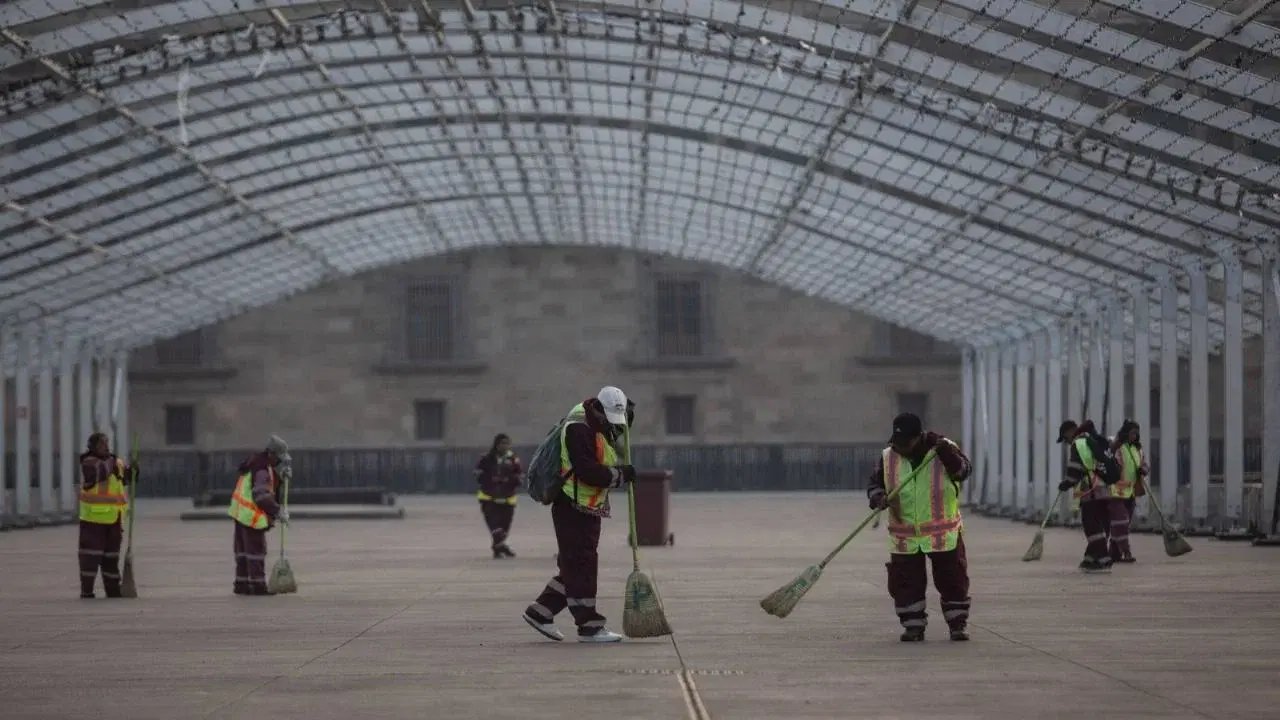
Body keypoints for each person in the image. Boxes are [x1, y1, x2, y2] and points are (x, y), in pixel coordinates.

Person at [523, 386, 636, 643]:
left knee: (575, 564)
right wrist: (621, 475)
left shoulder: (594, 420)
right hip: (571, 504)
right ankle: (589, 626)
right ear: (599, 409)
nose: (614, 425)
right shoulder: (578, 428)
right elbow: (587, 470)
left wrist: (628, 413)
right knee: (582, 564)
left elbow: (614, 434)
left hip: (586, 505)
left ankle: (541, 612)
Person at [866, 413, 973, 642]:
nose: (900, 449)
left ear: (919, 438)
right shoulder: (887, 456)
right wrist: (879, 498)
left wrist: (946, 454)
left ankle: (957, 624)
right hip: (904, 537)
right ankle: (913, 626)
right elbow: (875, 484)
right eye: (897, 444)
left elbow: (963, 471)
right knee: (906, 584)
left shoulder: (943, 450)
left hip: (943, 535)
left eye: (906, 444)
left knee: (952, 580)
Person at [227, 435, 291, 595]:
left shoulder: (256, 463)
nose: (279, 462)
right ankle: (258, 586)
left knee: (242, 553)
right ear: (272, 454)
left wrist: (282, 476)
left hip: (240, 514)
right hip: (251, 517)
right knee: (256, 552)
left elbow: (270, 483)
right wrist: (278, 511)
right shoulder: (262, 469)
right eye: (279, 459)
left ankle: (242, 584)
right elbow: (261, 495)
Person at [78, 432, 135, 598]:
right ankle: (87, 591)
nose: (106, 446)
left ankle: (114, 591)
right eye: (102, 443)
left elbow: (126, 478)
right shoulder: (89, 462)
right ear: (93, 447)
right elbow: (101, 471)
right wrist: (115, 462)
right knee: (90, 558)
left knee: (111, 558)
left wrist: (133, 471)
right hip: (93, 521)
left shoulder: (114, 461)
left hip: (114, 520)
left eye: (107, 442)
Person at [1056, 419, 1118, 573]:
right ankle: (1091, 558)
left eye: (1065, 438)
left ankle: (1104, 559)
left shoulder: (1080, 443)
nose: (1066, 442)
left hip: (1091, 491)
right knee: (1098, 524)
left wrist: (1067, 483)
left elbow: (1076, 468)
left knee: (1091, 525)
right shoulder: (1091, 439)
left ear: (1070, 431)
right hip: (1104, 490)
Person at [475, 433, 522, 559]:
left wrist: (510, 480)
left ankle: (498, 547)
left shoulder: (513, 458)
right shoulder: (486, 458)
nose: (505, 446)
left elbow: (519, 475)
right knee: (494, 524)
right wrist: (490, 479)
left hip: (508, 497)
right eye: (502, 443)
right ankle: (499, 546)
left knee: (505, 524)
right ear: (496, 444)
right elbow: (478, 474)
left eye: (507, 443)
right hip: (489, 497)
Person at [1109, 419, 1148, 563]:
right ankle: (1126, 551)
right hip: (1117, 492)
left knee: (1121, 525)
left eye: (1136, 433)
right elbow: (1112, 464)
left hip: (1131, 493)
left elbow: (1145, 464)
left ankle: (1114, 552)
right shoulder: (1119, 448)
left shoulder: (1138, 450)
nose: (1135, 436)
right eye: (1132, 433)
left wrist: (1143, 470)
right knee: (1121, 523)